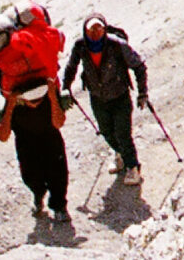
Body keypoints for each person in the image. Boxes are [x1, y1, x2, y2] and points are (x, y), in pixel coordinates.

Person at [0, 3, 69, 222]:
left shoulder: (34, 91)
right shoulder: (16, 101)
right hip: (27, 141)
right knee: (31, 176)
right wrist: (12, 104)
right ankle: (38, 195)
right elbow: (3, 135)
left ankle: (59, 206)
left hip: (48, 136)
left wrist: (50, 95)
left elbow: (58, 122)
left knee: (58, 172)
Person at [63, 14, 152, 185]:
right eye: (91, 29)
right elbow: (71, 67)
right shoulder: (80, 46)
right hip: (98, 97)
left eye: (99, 28)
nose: (95, 32)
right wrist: (66, 88)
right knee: (106, 131)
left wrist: (142, 93)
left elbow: (139, 66)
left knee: (123, 133)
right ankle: (120, 154)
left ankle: (132, 167)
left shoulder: (117, 45)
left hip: (120, 96)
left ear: (104, 29)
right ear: (85, 31)